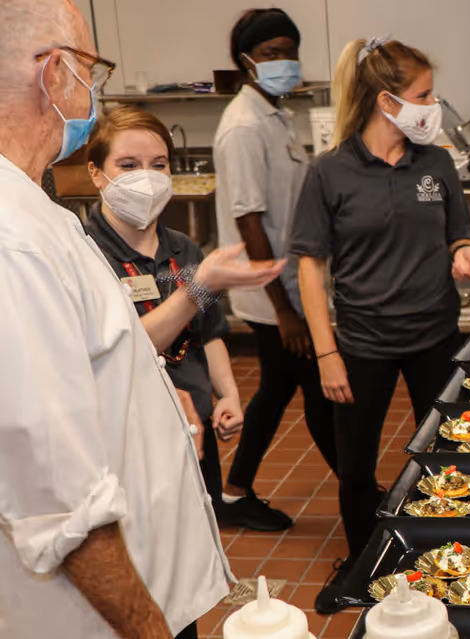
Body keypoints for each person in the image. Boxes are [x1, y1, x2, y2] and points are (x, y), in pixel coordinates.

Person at [0, 2, 284, 637]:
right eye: (91, 72)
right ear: (53, 74)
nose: (94, 93)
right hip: (101, 614)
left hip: (142, 579)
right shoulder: (13, 239)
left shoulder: (40, 214)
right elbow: (58, 502)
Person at [291, 36, 470, 613]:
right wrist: (326, 353)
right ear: (386, 102)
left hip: (434, 336)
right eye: (425, 95)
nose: (435, 104)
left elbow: (460, 230)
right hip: (362, 346)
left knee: (446, 455)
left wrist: (465, 252)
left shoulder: (437, 161)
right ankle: (363, 569)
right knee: (356, 469)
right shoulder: (330, 171)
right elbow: (310, 265)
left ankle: (446, 557)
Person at [84, 105, 246, 521]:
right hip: (129, 437)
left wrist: (227, 395)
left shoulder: (183, 250)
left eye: (158, 165)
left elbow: (208, 333)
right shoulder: (85, 255)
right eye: (128, 165)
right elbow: (126, 347)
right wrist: (196, 289)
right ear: (95, 174)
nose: (146, 178)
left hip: (197, 427)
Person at [214, 8, 338, 532]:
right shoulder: (243, 126)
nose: (283, 61)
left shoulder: (276, 115)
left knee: (281, 388)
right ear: (245, 62)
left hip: (287, 285)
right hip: (271, 294)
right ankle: (363, 490)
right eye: (270, 54)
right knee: (314, 387)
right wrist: (284, 309)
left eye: (289, 50)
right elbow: (249, 219)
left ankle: (235, 490)